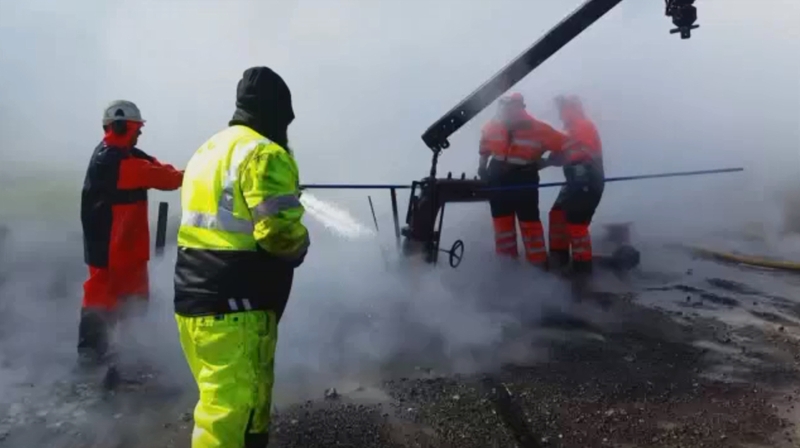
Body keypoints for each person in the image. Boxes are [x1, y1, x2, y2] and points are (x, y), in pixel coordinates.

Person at [173, 66, 309, 448]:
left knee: (239, 401)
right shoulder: (264, 154)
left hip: (195, 302)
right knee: (226, 419)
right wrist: (302, 245)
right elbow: (280, 234)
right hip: (237, 308)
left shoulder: (209, 149)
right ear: (276, 112)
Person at [78, 100, 184, 364]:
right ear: (121, 126)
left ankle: (131, 352)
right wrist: (202, 174)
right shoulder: (113, 161)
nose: (140, 133)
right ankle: (91, 357)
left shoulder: (125, 154)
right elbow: (167, 179)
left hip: (127, 248)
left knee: (133, 300)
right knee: (101, 302)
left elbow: (157, 167)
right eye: (137, 127)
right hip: (108, 249)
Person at [478, 92, 568, 267]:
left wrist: (547, 162)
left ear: (520, 108)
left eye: (511, 109)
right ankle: (509, 266)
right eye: (505, 109)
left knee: (529, 224)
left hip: (522, 179)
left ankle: (538, 267)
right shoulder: (493, 126)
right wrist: (482, 168)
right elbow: (484, 148)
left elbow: (566, 146)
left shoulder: (538, 129)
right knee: (504, 225)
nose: (508, 113)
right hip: (499, 180)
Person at [544, 94, 605, 274]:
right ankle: (559, 259)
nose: (559, 114)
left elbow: (577, 154)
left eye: (561, 109)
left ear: (568, 108)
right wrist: (547, 161)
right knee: (557, 214)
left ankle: (582, 270)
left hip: (587, 181)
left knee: (577, 224)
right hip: (574, 182)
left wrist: (554, 158)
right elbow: (565, 153)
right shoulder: (572, 128)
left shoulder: (582, 126)